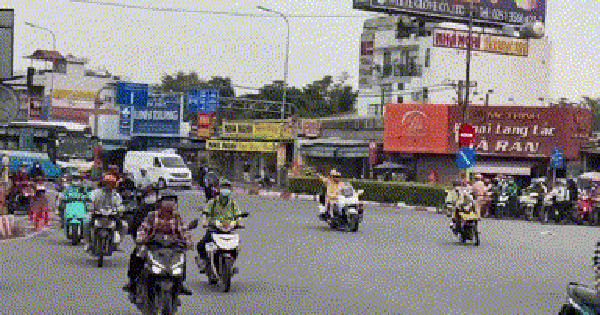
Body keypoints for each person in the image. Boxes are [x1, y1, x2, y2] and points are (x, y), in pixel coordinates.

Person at [123, 190, 193, 295]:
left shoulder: (176, 217)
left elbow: (183, 231)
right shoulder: (152, 215)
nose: (169, 203)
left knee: (181, 258)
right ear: (160, 203)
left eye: (172, 200)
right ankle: (132, 282)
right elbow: (143, 229)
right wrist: (140, 238)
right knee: (137, 255)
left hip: (171, 246)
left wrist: (188, 242)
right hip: (153, 244)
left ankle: (180, 283)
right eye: (166, 200)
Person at [197, 181, 243, 273]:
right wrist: (204, 222)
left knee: (236, 247)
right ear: (219, 189)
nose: (226, 190)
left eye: (228, 188)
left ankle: (230, 265)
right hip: (214, 229)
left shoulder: (233, 203)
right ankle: (204, 263)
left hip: (228, 229)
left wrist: (240, 223)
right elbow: (205, 213)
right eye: (224, 187)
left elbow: (238, 215)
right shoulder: (212, 202)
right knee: (201, 245)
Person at [84, 175, 126, 252]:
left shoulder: (116, 195)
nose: (109, 186)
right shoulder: (96, 192)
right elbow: (91, 201)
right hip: (97, 213)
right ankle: (88, 243)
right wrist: (91, 206)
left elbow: (120, 204)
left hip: (111, 215)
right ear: (104, 183)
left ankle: (117, 244)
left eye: (111, 184)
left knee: (124, 225)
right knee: (86, 222)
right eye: (107, 183)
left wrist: (120, 209)